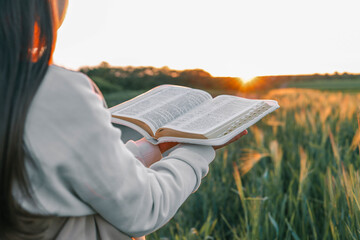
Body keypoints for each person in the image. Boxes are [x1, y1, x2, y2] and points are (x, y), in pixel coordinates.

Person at [0, 0, 247, 239]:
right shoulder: (55, 90)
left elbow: (77, 172)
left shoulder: (16, 89)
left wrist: (152, 149)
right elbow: (145, 207)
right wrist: (199, 146)